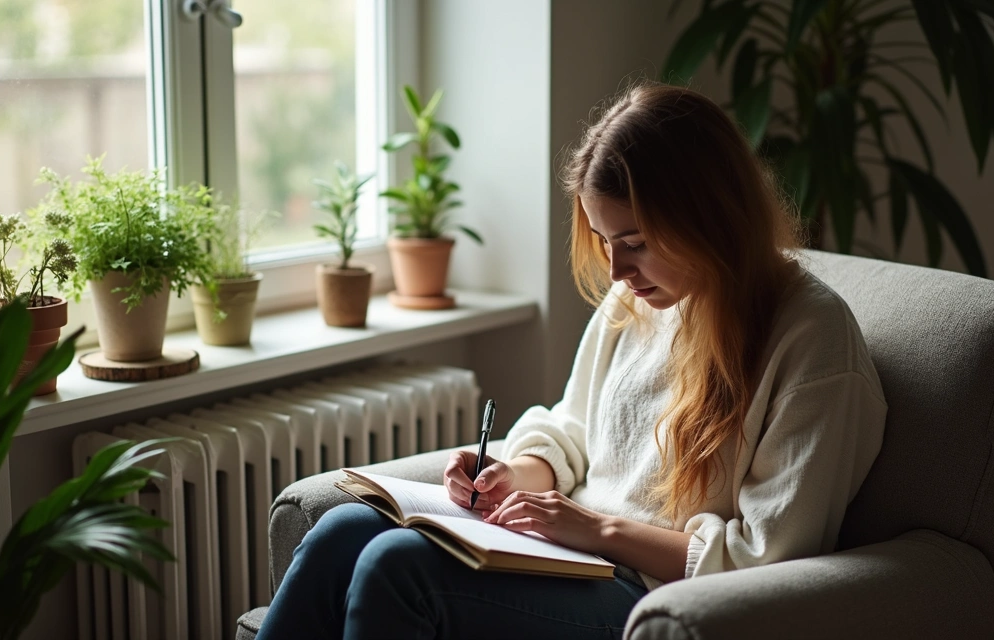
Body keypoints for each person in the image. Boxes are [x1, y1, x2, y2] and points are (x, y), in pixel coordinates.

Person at [255, 81, 888, 640]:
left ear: (710, 216)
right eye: (607, 242)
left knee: (398, 568)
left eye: (635, 243)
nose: (616, 271)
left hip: (648, 593)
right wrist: (518, 473)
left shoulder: (811, 338)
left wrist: (595, 529)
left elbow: (766, 559)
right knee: (342, 532)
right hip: (565, 555)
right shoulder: (634, 303)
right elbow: (575, 429)